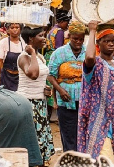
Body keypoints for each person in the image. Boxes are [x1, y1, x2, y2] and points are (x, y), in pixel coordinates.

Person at [78, 21, 114, 167]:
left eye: (113, 41)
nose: (111, 44)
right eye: (106, 41)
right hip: (99, 124)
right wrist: (92, 31)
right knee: (104, 160)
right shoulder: (94, 65)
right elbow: (89, 57)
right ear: (99, 43)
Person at [18, 26, 55, 167]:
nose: (44, 39)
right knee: (32, 140)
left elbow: (40, 79)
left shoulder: (39, 57)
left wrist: (46, 89)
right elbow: (33, 74)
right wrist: (32, 52)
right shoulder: (23, 57)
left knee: (40, 140)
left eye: (44, 35)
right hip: (28, 103)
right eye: (41, 36)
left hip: (40, 103)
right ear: (30, 39)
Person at [48, 21, 87, 152]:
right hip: (65, 101)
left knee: (83, 135)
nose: (78, 42)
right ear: (69, 36)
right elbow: (51, 76)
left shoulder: (88, 53)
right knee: (68, 135)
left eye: (81, 39)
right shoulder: (59, 53)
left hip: (85, 101)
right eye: (75, 38)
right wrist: (60, 90)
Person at [0, 23, 25, 91]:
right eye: (12, 28)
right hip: (6, 77)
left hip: (21, 77)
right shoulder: (3, 42)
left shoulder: (24, 42)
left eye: (17, 27)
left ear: (20, 29)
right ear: (7, 30)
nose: (15, 30)